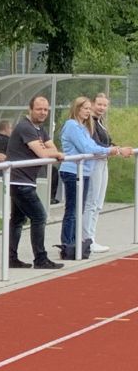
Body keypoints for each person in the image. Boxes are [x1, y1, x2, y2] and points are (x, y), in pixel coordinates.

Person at [56, 96, 128, 261]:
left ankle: (78, 243)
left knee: (79, 209)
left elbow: (92, 145)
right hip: (73, 171)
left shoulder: (83, 127)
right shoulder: (72, 125)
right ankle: (68, 244)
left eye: (89, 109)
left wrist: (112, 149)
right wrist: (110, 150)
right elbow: (86, 147)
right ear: (77, 109)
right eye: (86, 108)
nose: (88, 112)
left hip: (84, 171)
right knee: (73, 210)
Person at [6, 95, 63, 270]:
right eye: (39, 109)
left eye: (46, 109)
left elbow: (51, 148)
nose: (43, 112)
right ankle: (40, 259)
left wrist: (50, 150)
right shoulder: (26, 127)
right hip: (20, 181)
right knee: (39, 217)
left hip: (24, 180)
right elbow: (45, 154)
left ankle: (11, 258)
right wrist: (53, 153)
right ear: (30, 110)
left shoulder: (39, 129)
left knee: (17, 219)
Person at [86, 92, 114, 252]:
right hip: (94, 162)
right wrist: (112, 149)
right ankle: (87, 239)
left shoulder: (100, 122)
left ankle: (91, 237)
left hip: (103, 161)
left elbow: (107, 141)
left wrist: (116, 148)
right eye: (99, 104)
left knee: (98, 203)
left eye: (104, 105)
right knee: (92, 201)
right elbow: (94, 143)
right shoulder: (89, 121)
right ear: (92, 104)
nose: (102, 108)